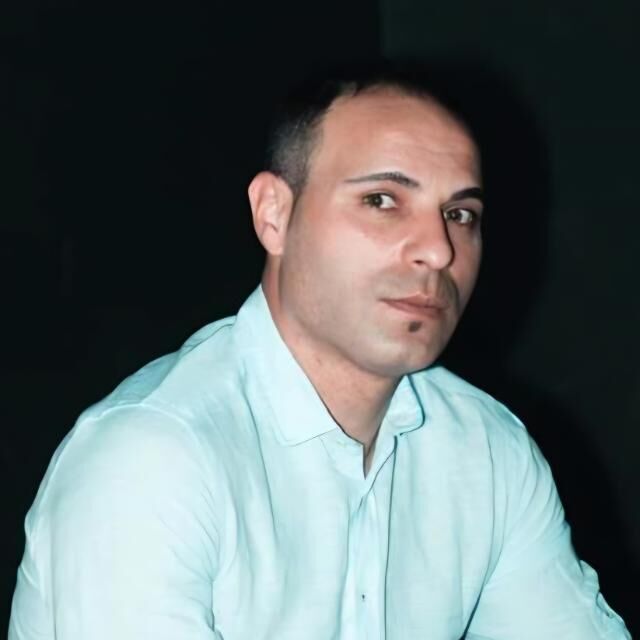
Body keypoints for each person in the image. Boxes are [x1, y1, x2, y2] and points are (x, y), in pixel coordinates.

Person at [9, 65, 631, 639]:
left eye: (460, 214)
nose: (438, 250)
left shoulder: (489, 451)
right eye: (382, 201)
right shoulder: (154, 458)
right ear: (273, 215)